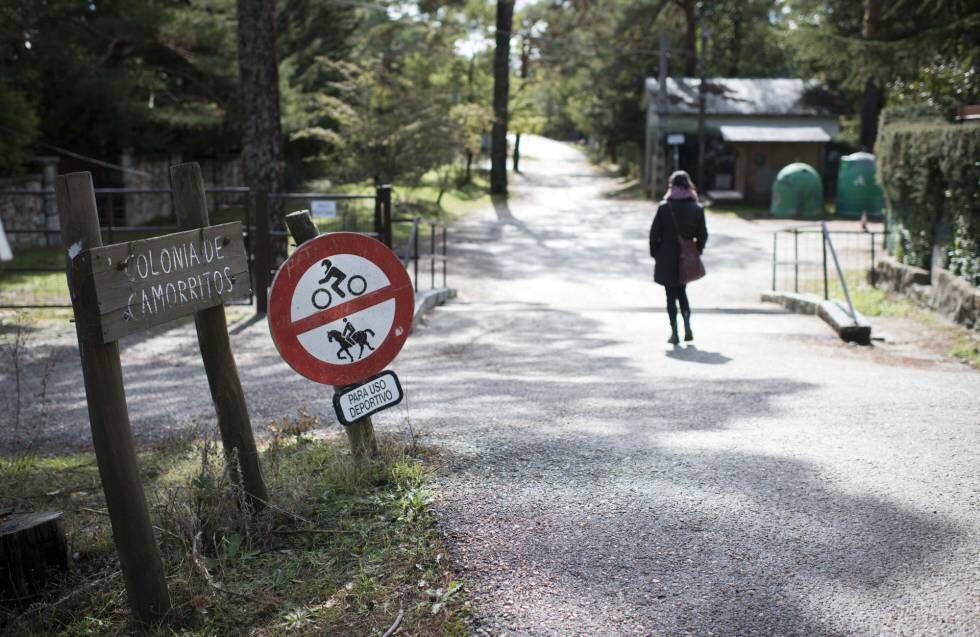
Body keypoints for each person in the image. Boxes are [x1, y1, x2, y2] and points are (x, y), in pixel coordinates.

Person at [649, 170, 708, 345]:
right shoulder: (697, 209)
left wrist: (656, 254)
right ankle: (688, 326)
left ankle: (674, 331)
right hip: (686, 257)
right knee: (682, 291)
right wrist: (695, 252)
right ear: (689, 185)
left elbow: (654, 235)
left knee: (670, 294)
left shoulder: (664, 207)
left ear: (671, 185)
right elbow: (703, 235)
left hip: (666, 256)